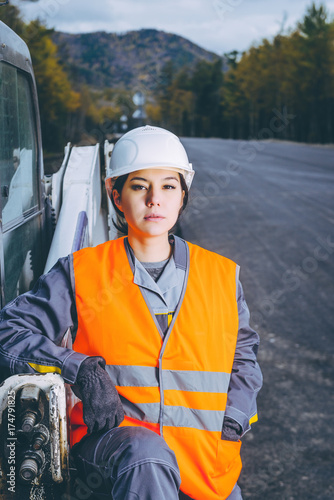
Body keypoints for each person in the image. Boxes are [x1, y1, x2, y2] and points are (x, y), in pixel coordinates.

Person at [0, 125, 262, 500]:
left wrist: (235, 417)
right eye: (139, 186)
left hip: (205, 468)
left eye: (169, 186)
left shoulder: (221, 276)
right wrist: (79, 368)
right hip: (113, 456)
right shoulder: (80, 272)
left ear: (182, 196)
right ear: (116, 195)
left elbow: (244, 355)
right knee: (145, 454)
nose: (155, 199)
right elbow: (9, 331)